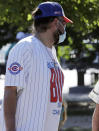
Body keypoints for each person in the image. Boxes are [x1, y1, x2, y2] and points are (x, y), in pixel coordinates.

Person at [0, 1, 72, 131]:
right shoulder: (25, 48)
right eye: (64, 23)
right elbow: (10, 92)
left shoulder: (51, 51)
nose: (64, 29)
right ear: (56, 22)